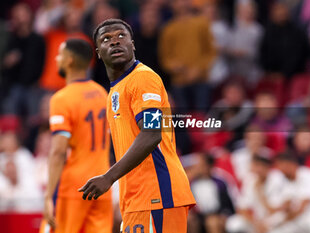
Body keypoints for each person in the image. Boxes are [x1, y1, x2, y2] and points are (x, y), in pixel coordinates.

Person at [79, 19, 196, 232]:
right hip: (137, 198)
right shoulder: (116, 89)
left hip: (158, 194)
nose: (115, 42)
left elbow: (152, 134)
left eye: (121, 36)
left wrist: (108, 177)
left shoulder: (142, 79)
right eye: (107, 39)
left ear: (132, 44)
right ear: (98, 52)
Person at [41, 39, 113, 233]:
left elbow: (58, 151)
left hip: (73, 188)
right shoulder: (102, 94)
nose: (56, 59)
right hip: (102, 184)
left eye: (59, 54)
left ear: (69, 60)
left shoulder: (62, 98)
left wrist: (48, 196)